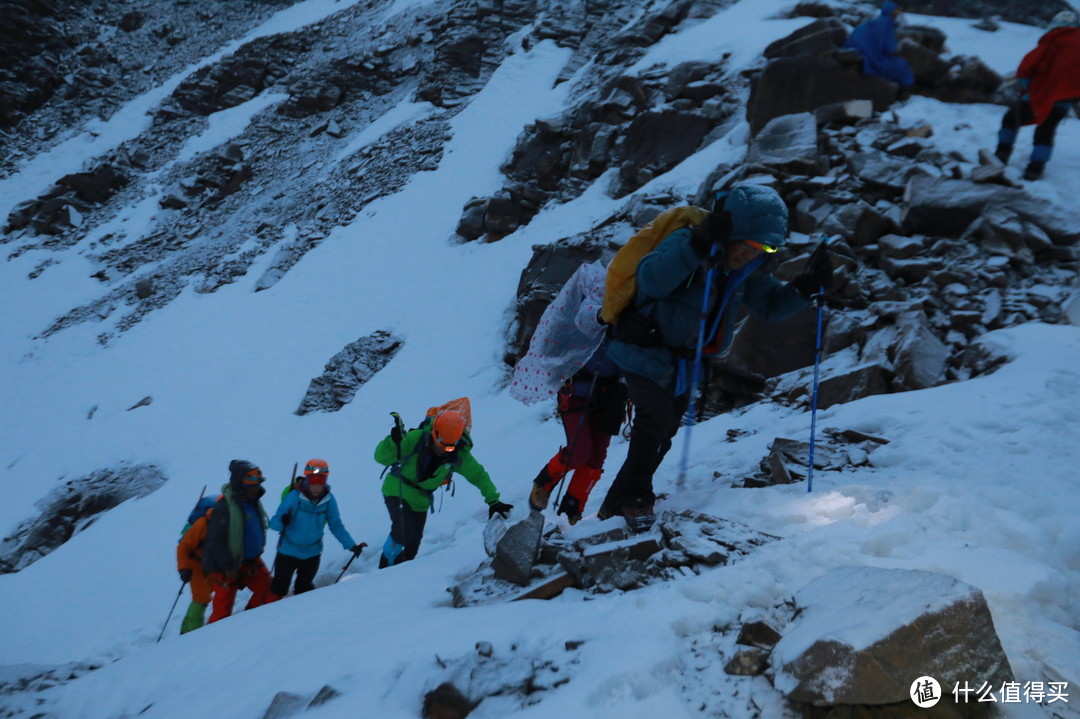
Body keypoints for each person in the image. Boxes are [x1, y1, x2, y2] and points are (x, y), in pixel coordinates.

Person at [595, 184, 834, 532]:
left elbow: (770, 306)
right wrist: (697, 246)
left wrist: (805, 287)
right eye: (750, 245)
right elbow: (652, 279)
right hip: (642, 349)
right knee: (655, 421)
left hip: (682, 364)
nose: (753, 254)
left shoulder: (743, 271)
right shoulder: (689, 243)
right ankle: (635, 499)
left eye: (765, 247)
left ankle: (614, 506)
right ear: (730, 232)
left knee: (665, 431)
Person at [509, 262, 626, 524]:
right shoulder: (593, 297)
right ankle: (545, 480)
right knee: (581, 450)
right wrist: (604, 316)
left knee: (597, 456)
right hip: (577, 388)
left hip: (610, 390)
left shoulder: (631, 303)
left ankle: (572, 511)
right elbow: (586, 319)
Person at [374, 408, 513, 567]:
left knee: (413, 546)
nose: (444, 449)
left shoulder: (458, 454)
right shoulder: (415, 438)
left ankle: (395, 578)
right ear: (434, 432)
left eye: (450, 446)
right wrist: (392, 442)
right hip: (397, 488)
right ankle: (384, 566)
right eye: (441, 443)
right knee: (404, 531)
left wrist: (493, 500)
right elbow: (380, 457)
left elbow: (477, 475)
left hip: (421, 499)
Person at [995, 10, 1080, 181]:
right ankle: (1035, 169)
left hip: (1039, 95)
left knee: (1010, 119)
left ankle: (1001, 156)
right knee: (1046, 131)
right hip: (1064, 100)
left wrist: (1024, 84)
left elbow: (1028, 65)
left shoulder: (1053, 39)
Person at [267, 459, 366, 599]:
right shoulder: (294, 497)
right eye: (313, 480)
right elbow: (274, 524)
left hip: (312, 554)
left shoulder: (329, 500)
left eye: (321, 480)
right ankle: (268, 615)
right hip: (287, 552)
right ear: (307, 479)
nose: (317, 485)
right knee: (279, 588)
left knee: (304, 588)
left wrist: (351, 545)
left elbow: (336, 525)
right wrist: (283, 521)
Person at [201, 460, 273, 622]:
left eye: (257, 485)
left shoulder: (252, 502)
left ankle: (250, 621)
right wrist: (228, 566)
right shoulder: (225, 507)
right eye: (251, 486)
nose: (255, 488)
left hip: (249, 560)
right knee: (222, 609)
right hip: (225, 565)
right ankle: (213, 640)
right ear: (240, 484)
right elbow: (215, 540)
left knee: (267, 588)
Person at [844, 1, 915, 88]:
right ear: (893, 12)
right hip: (871, 60)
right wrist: (900, 44)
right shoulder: (888, 24)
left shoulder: (873, 22)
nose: (897, 14)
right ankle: (905, 89)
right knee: (902, 64)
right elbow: (891, 48)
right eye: (896, 11)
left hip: (856, 53)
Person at [176, 499, 216, 634]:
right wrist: (183, 568)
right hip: (194, 566)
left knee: (203, 597)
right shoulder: (202, 524)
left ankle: (185, 632)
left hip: (208, 564)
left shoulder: (223, 522)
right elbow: (183, 546)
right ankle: (195, 635)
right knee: (201, 598)